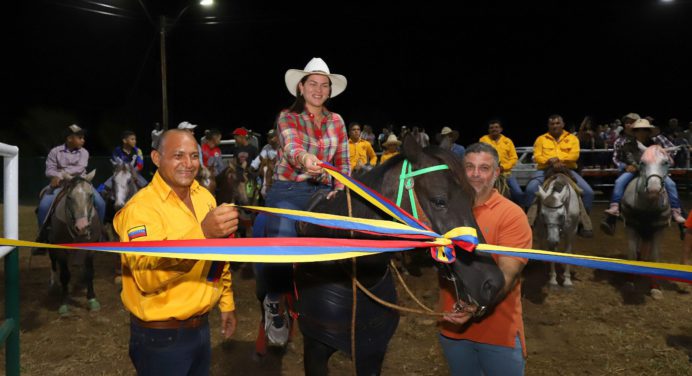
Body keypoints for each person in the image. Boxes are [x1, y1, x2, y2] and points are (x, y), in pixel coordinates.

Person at [113, 129, 240, 375]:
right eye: (178, 155)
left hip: (201, 329)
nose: (189, 164)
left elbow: (217, 257)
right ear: (157, 158)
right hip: (161, 339)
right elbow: (146, 278)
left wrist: (226, 303)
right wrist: (202, 233)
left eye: (194, 156)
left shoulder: (204, 197)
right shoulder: (141, 209)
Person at [257, 57, 350, 347]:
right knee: (284, 233)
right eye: (313, 84)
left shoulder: (338, 122)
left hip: (324, 192)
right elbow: (293, 146)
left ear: (330, 90)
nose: (319, 89)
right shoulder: (287, 116)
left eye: (324, 85)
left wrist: (339, 187)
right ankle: (274, 299)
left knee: (351, 231)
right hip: (289, 190)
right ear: (301, 87)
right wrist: (307, 160)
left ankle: (343, 298)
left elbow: (344, 162)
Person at [439, 142, 531, 376]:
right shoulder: (444, 214)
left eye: (484, 168)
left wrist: (476, 307)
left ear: (497, 172)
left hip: (498, 333)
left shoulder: (511, 215)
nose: (475, 175)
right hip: (453, 331)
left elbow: (507, 274)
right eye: (469, 167)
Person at [601, 118, 686, 233]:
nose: (641, 132)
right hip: (634, 170)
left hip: (652, 171)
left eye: (644, 130)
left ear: (648, 132)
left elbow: (662, 157)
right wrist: (634, 166)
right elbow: (628, 157)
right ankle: (613, 211)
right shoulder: (628, 145)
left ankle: (677, 212)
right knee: (619, 182)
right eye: (638, 130)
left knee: (671, 184)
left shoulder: (655, 146)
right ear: (634, 132)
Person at [524, 114, 594, 237]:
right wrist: (550, 161)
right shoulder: (541, 139)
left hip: (567, 169)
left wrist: (558, 159)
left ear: (562, 124)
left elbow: (574, 155)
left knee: (588, 192)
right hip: (545, 169)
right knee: (530, 189)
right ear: (548, 125)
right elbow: (538, 156)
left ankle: (583, 223)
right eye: (552, 124)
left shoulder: (572, 138)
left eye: (557, 123)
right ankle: (529, 222)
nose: (555, 126)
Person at [37, 124, 106, 236]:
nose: (83, 140)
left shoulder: (84, 152)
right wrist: (56, 176)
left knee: (101, 203)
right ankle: (42, 235)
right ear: (69, 138)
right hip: (60, 185)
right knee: (44, 205)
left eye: (83, 138)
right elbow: (49, 170)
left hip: (81, 184)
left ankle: (100, 232)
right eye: (80, 138)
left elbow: (79, 168)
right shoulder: (55, 152)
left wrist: (59, 174)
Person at [479, 119, 523, 204]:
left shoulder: (507, 141)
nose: (494, 129)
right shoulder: (483, 140)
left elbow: (514, 158)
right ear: (488, 130)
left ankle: (522, 210)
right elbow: (481, 155)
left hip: (506, 174)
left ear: (501, 129)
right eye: (491, 128)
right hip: (489, 173)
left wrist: (503, 167)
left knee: (518, 193)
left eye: (496, 127)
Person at [97, 130, 148, 195]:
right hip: (121, 173)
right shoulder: (117, 150)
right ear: (124, 140)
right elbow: (116, 163)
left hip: (134, 173)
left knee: (146, 187)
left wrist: (132, 172)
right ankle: (100, 192)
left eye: (135, 139)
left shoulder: (138, 151)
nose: (135, 141)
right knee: (104, 187)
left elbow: (140, 165)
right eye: (132, 139)